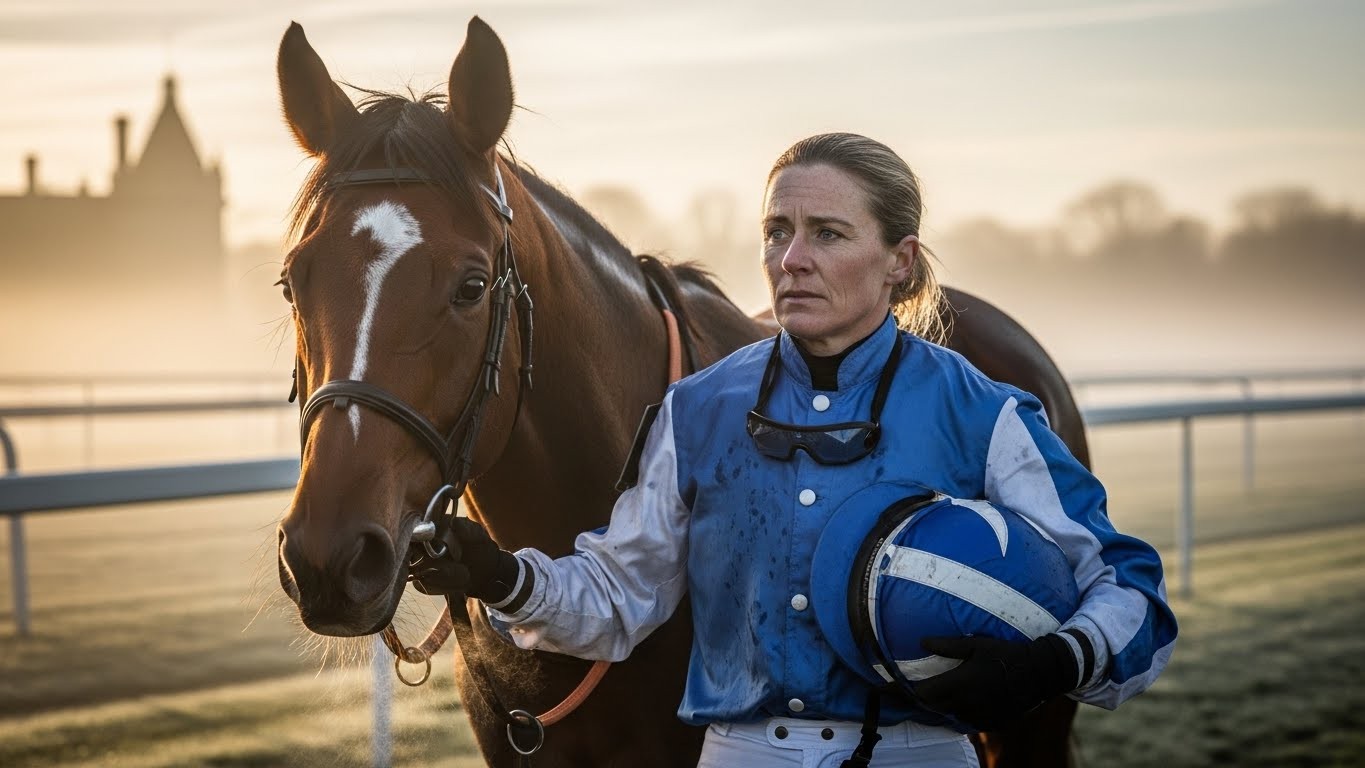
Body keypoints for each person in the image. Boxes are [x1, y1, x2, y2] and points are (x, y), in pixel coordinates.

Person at [419, 133, 1177, 767]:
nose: (791, 259)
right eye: (776, 231)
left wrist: (1052, 661)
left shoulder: (981, 409)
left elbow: (1127, 591)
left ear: (899, 262)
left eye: (828, 233)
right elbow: (621, 599)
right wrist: (504, 575)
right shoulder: (696, 409)